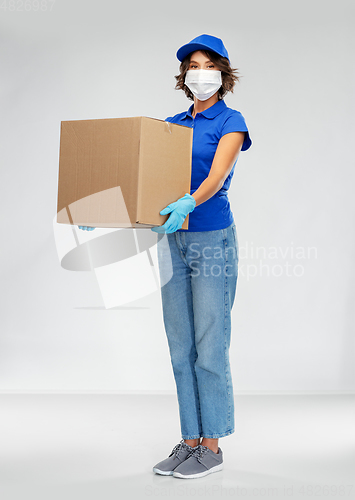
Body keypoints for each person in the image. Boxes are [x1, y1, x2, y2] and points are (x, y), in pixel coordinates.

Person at [151, 34, 252, 479]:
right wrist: (113, 210)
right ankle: (190, 440)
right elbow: (145, 177)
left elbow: (217, 174)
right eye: (193, 65)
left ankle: (212, 445)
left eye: (209, 64)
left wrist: (191, 200)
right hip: (171, 240)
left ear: (222, 73)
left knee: (210, 345)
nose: (201, 72)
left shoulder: (231, 120)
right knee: (180, 346)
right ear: (184, 76)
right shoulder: (171, 124)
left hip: (212, 238)